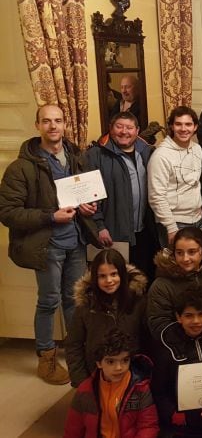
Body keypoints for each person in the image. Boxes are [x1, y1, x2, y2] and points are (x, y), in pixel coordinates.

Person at [0, 104, 97, 384]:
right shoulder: (21, 167)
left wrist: (87, 208)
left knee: (75, 300)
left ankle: (76, 353)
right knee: (48, 301)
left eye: (58, 121)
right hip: (47, 245)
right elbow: (7, 212)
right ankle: (46, 356)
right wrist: (50, 217)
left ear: (65, 124)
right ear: (37, 126)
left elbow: (83, 195)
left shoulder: (76, 157)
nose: (53, 126)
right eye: (46, 121)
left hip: (76, 242)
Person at [86, 111, 157, 279]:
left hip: (144, 232)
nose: (124, 132)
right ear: (111, 129)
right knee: (116, 282)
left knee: (142, 280)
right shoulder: (96, 155)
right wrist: (99, 226)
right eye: (119, 127)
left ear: (137, 131)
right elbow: (89, 195)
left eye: (129, 128)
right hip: (113, 232)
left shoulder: (147, 152)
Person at [153, 286, 202, 437]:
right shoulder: (166, 346)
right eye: (189, 316)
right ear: (178, 317)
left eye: (201, 314)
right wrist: (172, 414)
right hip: (186, 426)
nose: (196, 321)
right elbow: (158, 390)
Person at [65, 249, 148, 388]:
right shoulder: (86, 305)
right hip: (96, 375)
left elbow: (148, 340)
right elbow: (74, 345)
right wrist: (81, 382)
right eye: (102, 276)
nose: (109, 280)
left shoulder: (139, 301)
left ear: (122, 274)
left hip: (134, 375)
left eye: (114, 274)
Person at [63, 328, 158, 438]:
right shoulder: (85, 390)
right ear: (99, 363)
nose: (119, 368)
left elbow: (148, 426)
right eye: (111, 361)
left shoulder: (140, 388)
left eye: (125, 360)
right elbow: (73, 429)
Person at [146, 227, 202, 340]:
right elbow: (158, 325)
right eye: (179, 253)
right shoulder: (162, 285)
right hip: (177, 348)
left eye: (192, 252)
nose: (185, 258)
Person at [147, 106, 202, 245]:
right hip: (174, 223)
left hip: (198, 219)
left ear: (195, 127)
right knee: (175, 266)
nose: (183, 129)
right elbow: (156, 196)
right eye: (178, 124)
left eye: (188, 124)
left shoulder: (197, 149)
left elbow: (195, 183)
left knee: (199, 264)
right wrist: (171, 227)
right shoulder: (160, 156)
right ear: (172, 126)